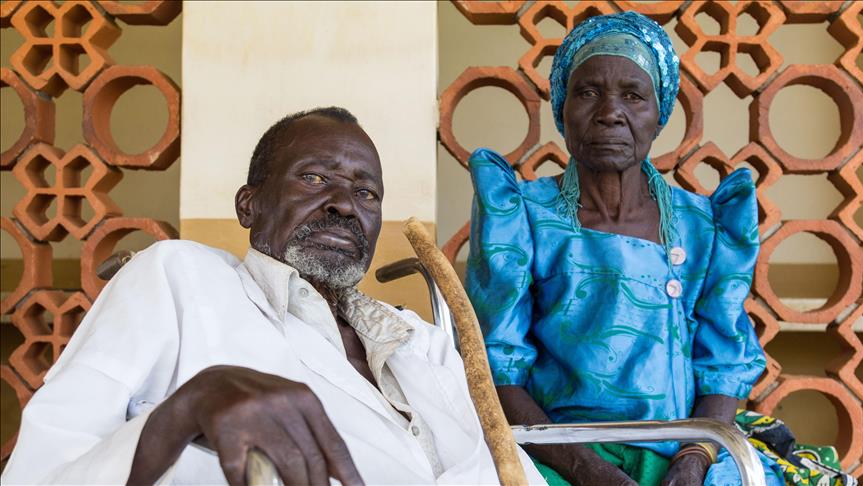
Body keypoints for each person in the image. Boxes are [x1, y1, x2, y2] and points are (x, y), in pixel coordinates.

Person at [3, 107, 545, 485]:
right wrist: (182, 413)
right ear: (249, 206)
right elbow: (38, 473)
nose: (344, 204)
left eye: (366, 192)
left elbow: (507, 469)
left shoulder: (421, 342)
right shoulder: (177, 277)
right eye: (314, 178)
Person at [465, 12, 783, 486]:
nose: (610, 112)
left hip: (684, 449)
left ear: (659, 114)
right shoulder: (523, 215)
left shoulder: (704, 225)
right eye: (587, 92)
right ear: (562, 108)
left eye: (633, 95)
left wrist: (693, 460)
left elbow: (723, 365)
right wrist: (587, 471)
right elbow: (496, 369)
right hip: (554, 453)